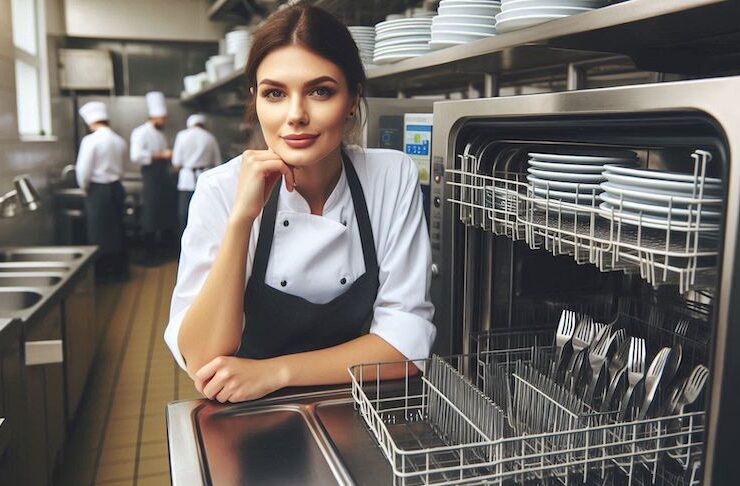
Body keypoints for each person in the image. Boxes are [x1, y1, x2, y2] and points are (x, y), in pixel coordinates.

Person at [165, 5, 435, 403]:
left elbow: (405, 343)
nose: (295, 116)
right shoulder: (219, 189)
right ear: (256, 100)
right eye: (275, 93)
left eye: (320, 91)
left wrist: (276, 372)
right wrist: (242, 219)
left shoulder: (390, 177)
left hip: (359, 404)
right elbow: (203, 358)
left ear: (353, 98)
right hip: (245, 414)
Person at [75, 101, 128, 278]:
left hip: (98, 191)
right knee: (117, 230)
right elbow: (123, 167)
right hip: (117, 188)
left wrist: (84, 188)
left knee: (98, 232)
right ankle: (119, 271)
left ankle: (102, 274)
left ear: (90, 122)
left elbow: (83, 171)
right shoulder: (118, 140)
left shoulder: (91, 140)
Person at [130, 91, 177, 262]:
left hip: (163, 176)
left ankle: (162, 252)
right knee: (150, 212)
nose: (164, 121)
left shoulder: (160, 135)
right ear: (154, 117)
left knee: (163, 212)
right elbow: (135, 156)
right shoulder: (140, 133)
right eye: (162, 118)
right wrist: (162, 155)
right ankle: (149, 254)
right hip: (151, 176)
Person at [171, 113, 222, 236]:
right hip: (205, 180)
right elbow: (218, 163)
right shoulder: (210, 137)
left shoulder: (182, 136)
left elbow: (176, 162)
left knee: (185, 215)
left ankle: (183, 245)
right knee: (203, 216)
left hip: (186, 180)